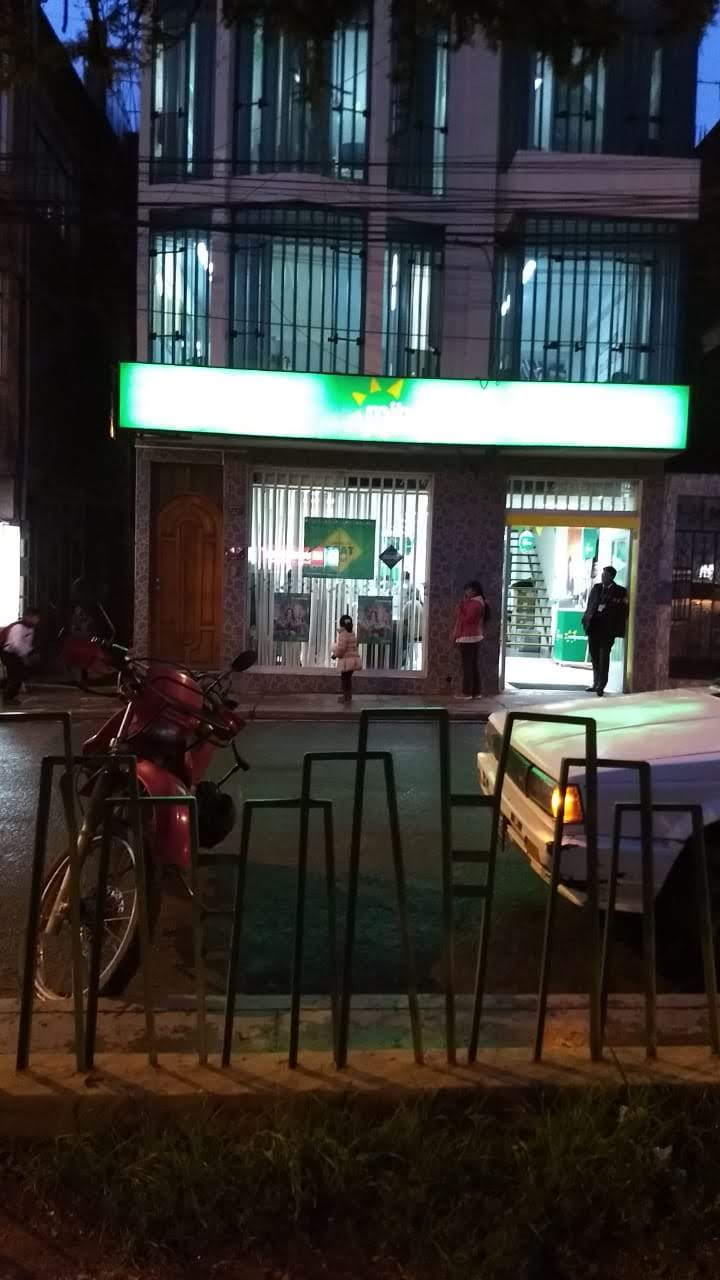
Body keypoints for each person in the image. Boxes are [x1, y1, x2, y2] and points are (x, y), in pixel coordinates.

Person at [582, 565, 629, 698]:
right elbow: (590, 605)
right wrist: (586, 619)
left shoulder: (620, 591)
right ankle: (595, 682)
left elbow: (624, 611)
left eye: (605, 575)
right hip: (594, 627)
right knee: (594, 656)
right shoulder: (597, 588)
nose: (603, 577)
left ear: (612, 577)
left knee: (604, 657)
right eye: (602, 575)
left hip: (607, 630)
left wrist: (617, 626)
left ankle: (601, 686)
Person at [452, 580, 487, 700]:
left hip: (468, 637)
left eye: (468, 589)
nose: (466, 592)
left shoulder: (475, 604)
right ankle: (476, 692)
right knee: (473, 665)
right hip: (474, 636)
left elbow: (467, 620)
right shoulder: (478, 602)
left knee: (467, 666)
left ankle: (466, 692)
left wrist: (459, 610)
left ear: (474, 591)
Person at [0, 606, 40, 704]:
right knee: (16, 675)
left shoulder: (30, 628)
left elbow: (26, 644)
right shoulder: (18, 627)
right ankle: (7, 697)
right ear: (28, 617)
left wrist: (28, 653)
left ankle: (9, 696)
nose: (37, 620)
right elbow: (16, 645)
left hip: (16, 654)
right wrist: (24, 656)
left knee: (18, 674)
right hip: (8, 653)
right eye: (35, 617)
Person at [332, 613, 361, 704]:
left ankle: (346, 698)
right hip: (353, 662)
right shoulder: (352, 634)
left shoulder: (343, 634)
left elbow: (341, 649)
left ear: (341, 624)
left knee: (345, 679)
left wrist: (335, 655)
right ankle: (348, 696)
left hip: (346, 662)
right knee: (348, 679)